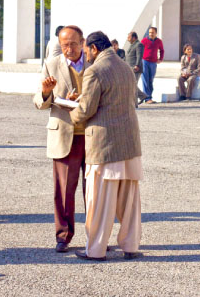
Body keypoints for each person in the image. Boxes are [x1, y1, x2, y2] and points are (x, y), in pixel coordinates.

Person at [70, 31, 143, 261]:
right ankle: (130, 247)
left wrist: (70, 109)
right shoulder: (125, 68)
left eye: (85, 49)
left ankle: (96, 250)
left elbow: (85, 110)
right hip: (129, 144)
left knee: (99, 203)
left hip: (104, 146)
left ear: (93, 48)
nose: (85, 54)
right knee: (129, 203)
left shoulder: (95, 71)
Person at [33, 25, 89, 253]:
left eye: (73, 44)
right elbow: (39, 101)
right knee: (64, 190)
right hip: (65, 133)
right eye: (64, 44)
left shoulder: (94, 64)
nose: (68, 49)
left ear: (83, 43)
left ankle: (95, 236)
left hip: (92, 135)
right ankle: (63, 236)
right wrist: (47, 93)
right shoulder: (51, 64)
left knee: (94, 191)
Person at [140, 27, 164, 104]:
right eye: (150, 32)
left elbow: (162, 50)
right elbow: (139, 50)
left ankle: (149, 96)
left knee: (151, 80)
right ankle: (147, 98)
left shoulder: (159, 41)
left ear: (156, 33)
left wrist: (160, 59)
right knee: (145, 80)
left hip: (153, 63)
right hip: (145, 62)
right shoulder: (144, 40)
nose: (151, 34)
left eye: (152, 32)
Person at [124, 32, 147, 107]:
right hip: (130, 68)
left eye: (129, 37)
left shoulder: (139, 45)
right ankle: (142, 96)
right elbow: (127, 57)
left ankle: (135, 104)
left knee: (133, 85)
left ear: (134, 37)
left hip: (135, 69)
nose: (128, 38)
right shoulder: (131, 45)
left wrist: (137, 65)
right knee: (132, 85)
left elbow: (139, 56)